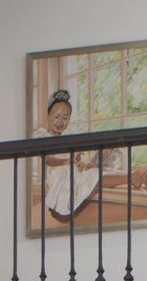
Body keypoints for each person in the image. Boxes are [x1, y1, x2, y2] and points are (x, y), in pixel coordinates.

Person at [39, 87, 100, 226]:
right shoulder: (42, 135)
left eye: (65, 118)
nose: (60, 122)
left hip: (69, 168)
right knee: (70, 173)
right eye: (56, 116)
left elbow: (73, 157)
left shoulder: (67, 136)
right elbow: (48, 159)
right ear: (48, 115)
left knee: (92, 173)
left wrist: (77, 160)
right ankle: (63, 205)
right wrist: (68, 161)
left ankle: (133, 178)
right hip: (55, 172)